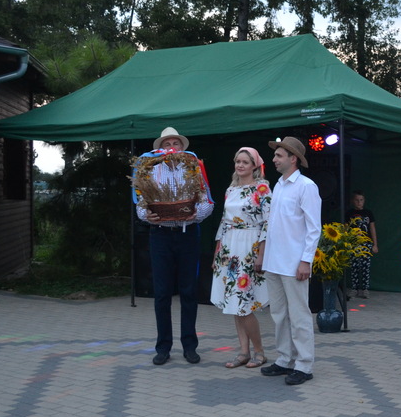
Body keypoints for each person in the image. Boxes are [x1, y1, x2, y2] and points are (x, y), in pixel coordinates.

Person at [136, 127, 214, 366]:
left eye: (176, 143)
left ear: (182, 147)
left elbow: (208, 202)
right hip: (160, 235)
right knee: (161, 294)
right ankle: (163, 347)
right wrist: (147, 216)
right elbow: (140, 205)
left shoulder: (193, 169)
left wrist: (193, 215)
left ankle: (190, 346)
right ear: (159, 148)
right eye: (167, 143)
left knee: (189, 292)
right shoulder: (150, 171)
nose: (171, 147)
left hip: (187, 234)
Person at [260, 136, 321, 386]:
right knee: (279, 314)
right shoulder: (280, 185)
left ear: (293, 158)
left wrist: (305, 261)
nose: (274, 159)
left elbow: (314, 228)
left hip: (294, 262)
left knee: (299, 315)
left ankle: (304, 365)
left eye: (279, 155)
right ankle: (285, 359)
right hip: (275, 261)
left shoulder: (306, 186)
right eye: (275, 155)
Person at [211, 147, 272, 369]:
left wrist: (262, 254)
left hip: (250, 245)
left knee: (244, 304)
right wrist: (218, 253)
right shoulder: (231, 189)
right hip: (230, 247)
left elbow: (268, 223)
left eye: (245, 162)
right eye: (237, 161)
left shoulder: (262, 188)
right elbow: (224, 221)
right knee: (234, 303)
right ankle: (243, 351)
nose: (240, 165)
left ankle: (260, 351)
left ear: (255, 165)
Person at [346, 191, 378, 298]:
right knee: (354, 266)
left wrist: (375, 244)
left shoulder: (368, 213)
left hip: (366, 243)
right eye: (357, 200)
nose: (359, 202)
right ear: (352, 201)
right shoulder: (349, 213)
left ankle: (364, 289)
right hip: (354, 243)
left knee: (365, 266)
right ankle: (354, 288)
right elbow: (345, 228)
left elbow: (372, 228)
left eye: (361, 200)